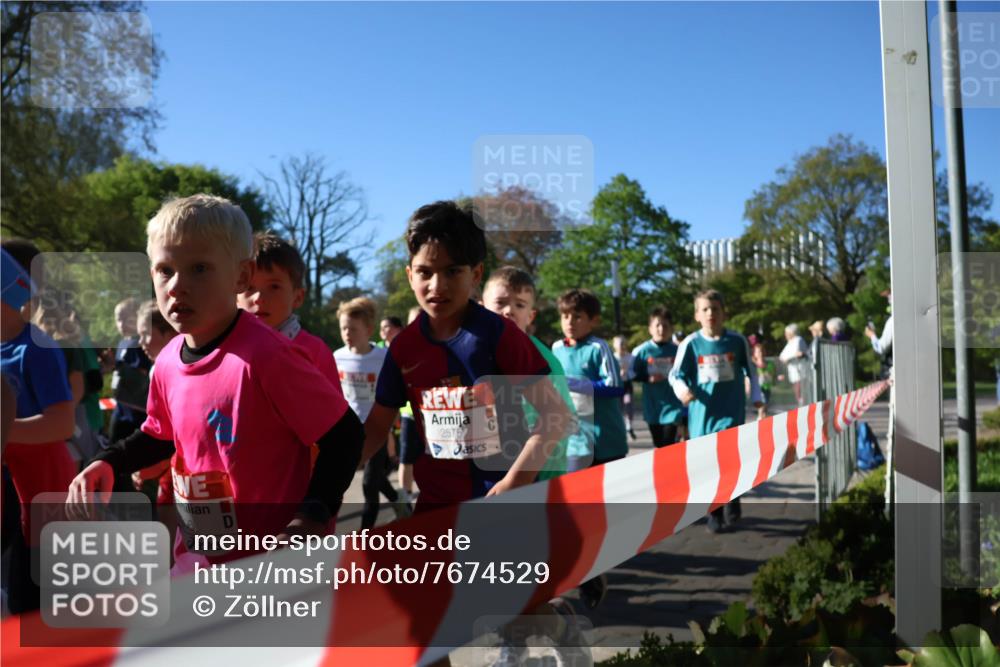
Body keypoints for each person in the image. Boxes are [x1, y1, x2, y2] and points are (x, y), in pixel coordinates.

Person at [67, 194, 363, 571]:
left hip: (269, 565)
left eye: (200, 269)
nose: (176, 286)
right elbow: (161, 435)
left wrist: (311, 515)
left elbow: (344, 436)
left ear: (240, 276)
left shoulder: (267, 355)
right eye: (165, 270)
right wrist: (109, 461)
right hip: (196, 557)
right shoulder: (168, 362)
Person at [360, 200, 570, 508]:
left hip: (504, 508)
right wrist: (322, 483)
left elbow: (555, 415)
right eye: (424, 272)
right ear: (410, 275)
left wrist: (515, 482)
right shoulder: (403, 347)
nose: (437, 285)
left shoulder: (500, 335)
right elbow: (377, 428)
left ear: (475, 275)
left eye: (452, 271)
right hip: (434, 509)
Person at [1, 248, 76, 612]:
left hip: (46, 493)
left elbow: (62, 423)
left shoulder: (36, 347)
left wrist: (4, 430)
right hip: (11, 495)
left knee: (37, 606)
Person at [671, 289, 762, 534]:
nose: (711, 314)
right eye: (705, 309)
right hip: (703, 417)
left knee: (732, 462)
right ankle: (714, 513)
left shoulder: (736, 340)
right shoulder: (691, 343)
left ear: (724, 313)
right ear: (697, 315)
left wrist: (757, 397)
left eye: (716, 309)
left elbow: (750, 371)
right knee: (709, 468)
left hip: (731, 413)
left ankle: (732, 500)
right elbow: (675, 375)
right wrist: (683, 390)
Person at [481, 265, 576, 480]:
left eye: (519, 305)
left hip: (534, 474)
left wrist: (540, 477)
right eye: (500, 303)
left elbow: (559, 422)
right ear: (481, 308)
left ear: (531, 316)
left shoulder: (544, 361)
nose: (509, 310)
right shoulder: (474, 353)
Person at [334, 296, 410, 528]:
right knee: (372, 481)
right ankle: (399, 500)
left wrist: (390, 433)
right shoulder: (337, 357)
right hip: (349, 430)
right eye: (343, 328)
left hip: (376, 427)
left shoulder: (383, 358)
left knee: (369, 485)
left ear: (368, 330)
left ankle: (365, 538)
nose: (347, 333)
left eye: (353, 329)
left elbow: (393, 396)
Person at [237, 231, 341, 393]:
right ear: (235, 295)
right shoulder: (225, 348)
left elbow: (336, 415)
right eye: (249, 288)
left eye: (274, 287)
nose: (258, 298)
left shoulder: (315, 352)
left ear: (298, 297)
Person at [551, 289, 627, 472]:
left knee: (611, 497)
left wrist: (573, 384)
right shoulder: (556, 348)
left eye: (577, 317)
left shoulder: (598, 348)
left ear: (593, 321)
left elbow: (615, 387)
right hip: (574, 440)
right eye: (565, 316)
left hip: (606, 439)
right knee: (576, 495)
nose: (570, 322)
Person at [631, 306, 685, 447]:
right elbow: (632, 374)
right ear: (650, 328)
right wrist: (648, 378)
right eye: (657, 325)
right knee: (659, 444)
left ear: (671, 329)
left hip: (673, 406)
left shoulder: (678, 350)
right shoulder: (641, 351)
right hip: (652, 406)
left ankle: (672, 468)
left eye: (665, 326)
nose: (661, 329)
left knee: (668, 444)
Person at [108, 297, 152, 444]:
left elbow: (144, 374)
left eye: (126, 318)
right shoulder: (122, 343)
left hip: (138, 414)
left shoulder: (142, 344)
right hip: (121, 411)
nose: (121, 324)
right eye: (118, 319)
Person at [394, 305, 423, 506]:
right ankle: (405, 499)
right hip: (409, 416)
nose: (415, 326)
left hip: (435, 418)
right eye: (411, 322)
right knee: (406, 459)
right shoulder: (401, 349)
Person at [779, 323, 810, 406]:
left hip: (800, 370)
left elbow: (797, 353)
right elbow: (782, 356)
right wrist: (787, 358)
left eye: (787, 333)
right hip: (793, 370)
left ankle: (803, 406)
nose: (785, 335)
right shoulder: (790, 342)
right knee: (797, 390)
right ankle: (801, 405)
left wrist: (787, 358)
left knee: (800, 389)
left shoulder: (798, 339)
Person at [613, 334, 637, 441]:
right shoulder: (612, 358)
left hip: (627, 385)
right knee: (618, 408)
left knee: (628, 405)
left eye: (623, 343)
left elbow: (635, 373)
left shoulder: (631, 357)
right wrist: (619, 374)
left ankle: (629, 427)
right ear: (614, 345)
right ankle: (619, 428)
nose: (622, 346)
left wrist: (627, 372)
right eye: (619, 343)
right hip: (617, 386)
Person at [750, 340, 775, 420]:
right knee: (761, 403)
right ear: (754, 353)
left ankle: (762, 416)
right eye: (757, 352)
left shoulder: (769, 364)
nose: (760, 353)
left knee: (766, 403)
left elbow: (771, 373)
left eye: (761, 351)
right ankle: (760, 417)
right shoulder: (753, 365)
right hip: (758, 387)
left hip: (766, 386)